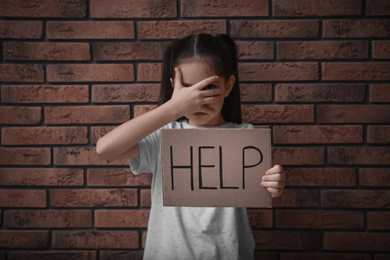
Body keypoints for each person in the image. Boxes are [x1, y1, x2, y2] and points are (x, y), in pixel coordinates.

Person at [96, 33, 285, 259]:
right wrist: (174, 107)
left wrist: (275, 183)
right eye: (187, 89)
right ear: (174, 88)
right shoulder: (164, 136)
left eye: (208, 87)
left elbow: (264, 187)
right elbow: (105, 149)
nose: (197, 100)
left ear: (228, 86)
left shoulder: (245, 136)